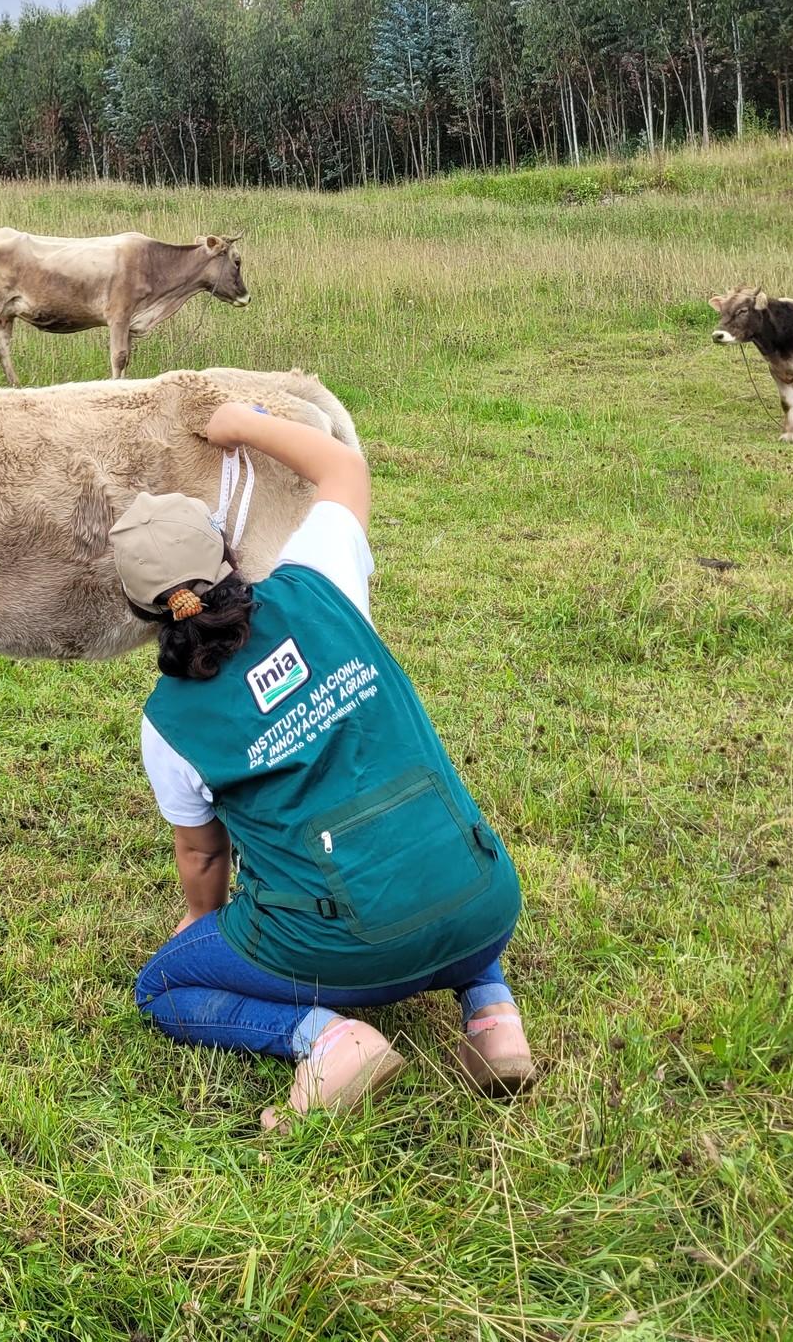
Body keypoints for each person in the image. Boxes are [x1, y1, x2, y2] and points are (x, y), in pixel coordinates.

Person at [112, 402, 534, 1128]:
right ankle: (492, 1016)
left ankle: (330, 1040)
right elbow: (341, 465)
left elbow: (201, 855)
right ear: (228, 554)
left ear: (141, 611)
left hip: (347, 950)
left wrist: (201, 921)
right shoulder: (322, 581)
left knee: (161, 987)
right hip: (489, 901)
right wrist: (241, 423)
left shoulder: (168, 723)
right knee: (414, 836)